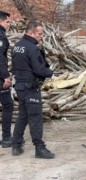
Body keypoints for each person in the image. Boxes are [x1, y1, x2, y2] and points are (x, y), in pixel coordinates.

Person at [11, 21, 55, 158]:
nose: (41, 36)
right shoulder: (32, 48)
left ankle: (16, 146)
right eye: (39, 34)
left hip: (20, 86)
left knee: (23, 115)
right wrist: (51, 73)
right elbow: (39, 69)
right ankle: (39, 148)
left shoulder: (17, 46)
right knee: (35, 117)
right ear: (31, 33)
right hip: (30, 87)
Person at [0, 11, 14, 148]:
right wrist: (5, 77)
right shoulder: (1, 36)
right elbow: (0, 59)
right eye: (7, 22)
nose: (9, 24)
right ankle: (6, 137)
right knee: (8, 106)